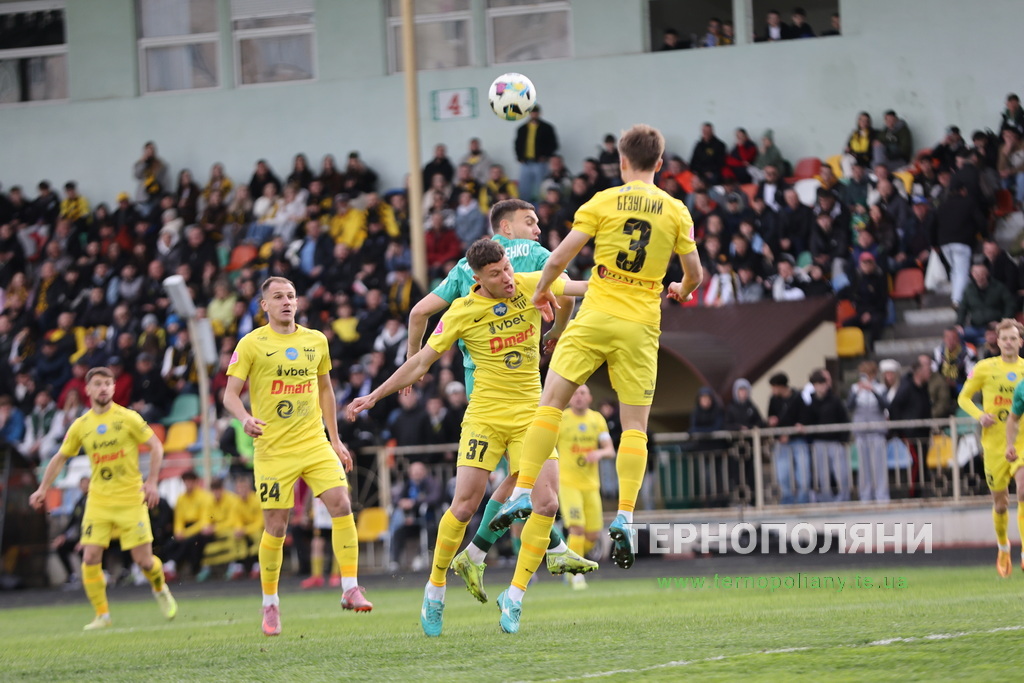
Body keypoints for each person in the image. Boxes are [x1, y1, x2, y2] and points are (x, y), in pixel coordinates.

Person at [490, 124, 701, 609]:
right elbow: (694, 273)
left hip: (598, 311)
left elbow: (560, 258)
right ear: (660, 164)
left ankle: (523, 491)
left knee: (550, 404)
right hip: (641, 322)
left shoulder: (603, 201)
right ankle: (625, 515)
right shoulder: (676, 209)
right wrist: (681, 290)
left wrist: (542, 292)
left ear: (622, 162)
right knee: (635, 426)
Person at [346, 239, 593, 637]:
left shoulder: (530, 282)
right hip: (484, 417)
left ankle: (514, 595)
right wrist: (374, 396)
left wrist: (630, 285)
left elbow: (581, 287)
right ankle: (435, 587)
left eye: (507, 268)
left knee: (547, 502)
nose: (507, 278)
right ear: (476, 278)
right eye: (496, 274)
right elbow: (420, 362)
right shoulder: (461, 311)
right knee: (463, 506)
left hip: (531, 414)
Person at [405, 198, 589, 601]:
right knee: (529, 479)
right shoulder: (535, 255)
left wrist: (413, 363)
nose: (537, 230)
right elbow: (568, 295)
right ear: (505, 227)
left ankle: (488, 554)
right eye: (530, 222)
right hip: (518, 385)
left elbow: (418, 313)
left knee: (516, 483)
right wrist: (556, 332)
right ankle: (528, 550)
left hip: (479, 385)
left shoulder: (465, 267)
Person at [223, 276, 371, 637]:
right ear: (265, 305)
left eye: (291, 296)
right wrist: (244, 418)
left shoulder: (316, 340)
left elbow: (326, 390)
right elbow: (229, 395)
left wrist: (335, 440)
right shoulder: (251, 343)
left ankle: (350, 587)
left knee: (341, 503)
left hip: (314, 442)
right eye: (278, 297)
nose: (287, 301)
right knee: (276, 526)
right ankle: (270, 604)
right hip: (273, 450)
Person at [28, 366, 176, 630]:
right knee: (90, 558)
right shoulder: (81, 425)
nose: (104, 388)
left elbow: (156, 445)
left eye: (108, 383)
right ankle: (102, 615)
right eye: (98, 384)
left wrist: (152, 482)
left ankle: (159, 587)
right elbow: (60, 457)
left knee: (144, 561)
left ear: (114, 387)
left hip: (130, 499)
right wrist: (42, 488)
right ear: (87, 389)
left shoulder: (128, 418)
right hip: (98, 501)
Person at [959, 319, 1024, 577]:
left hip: (1021, 441)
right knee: (1001, 504)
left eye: (1013, 338)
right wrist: (979, 415)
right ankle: (1003, 546)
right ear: (997, 341)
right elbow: (963, 397)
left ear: (1020, 341)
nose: (1008, 342)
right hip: (994, 445)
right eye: (1004, 338)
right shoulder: (984, 368)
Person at [556, 384, 614, 590]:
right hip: (568, 483)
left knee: (592, 535)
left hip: (591, 485)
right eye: (574, 393)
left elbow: (610, 450)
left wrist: (599, 453)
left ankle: (567, 560)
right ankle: (575, 573)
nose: (578, 397)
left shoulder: (597, 419)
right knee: (577, 528)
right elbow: (548, 447)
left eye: (582, 393)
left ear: (590, 398)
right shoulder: (561, 419)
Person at [848, 361, 890, 503]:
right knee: (863, 468)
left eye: (868, 374)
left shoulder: (881, 388)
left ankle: (882, 496)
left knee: (879, 467)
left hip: (877, 433)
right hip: (861, 433)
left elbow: (885, 405)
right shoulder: (854, 388)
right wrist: (858, 392)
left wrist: (873, 390)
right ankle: (865, 496)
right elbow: (849, 406)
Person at [767, 372, 809, 504]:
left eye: (774, 387)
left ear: (781, 386)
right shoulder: (773, 400)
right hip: (781, 442)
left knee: (803, 475)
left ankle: (803, 502)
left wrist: (790, 434)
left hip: (798, 441)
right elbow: (770, 417)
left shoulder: (797, 398)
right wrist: (772, 423)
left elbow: (803, 420)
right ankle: (787, 502)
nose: (773, 390)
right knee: (783, 476)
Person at [515, 105, 559, 203]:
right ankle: (524, 207)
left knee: (541, 187)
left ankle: (542, 207)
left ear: (539, 113)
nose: (534, 114)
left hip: (540, 163)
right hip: (525, 162)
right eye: (532, 112)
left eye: (535, 112)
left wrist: (545, 156)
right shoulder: (522, 128)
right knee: (524, 187)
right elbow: (517, 144)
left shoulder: (547, 128)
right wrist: (519, 157)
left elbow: (554, 144)